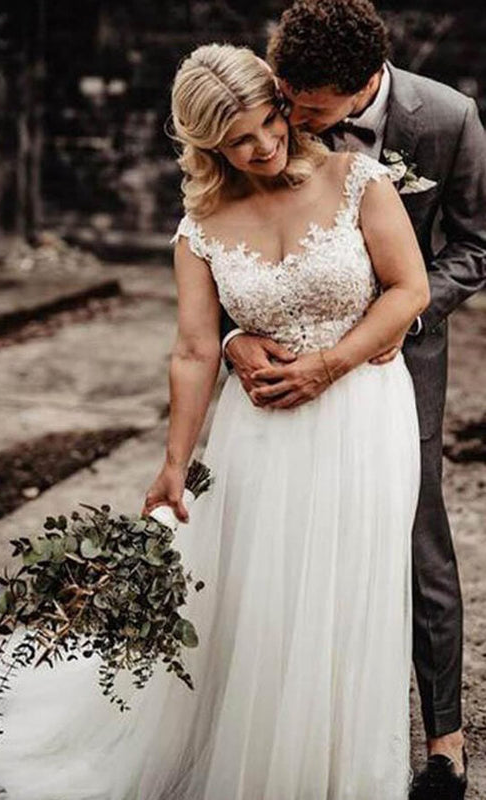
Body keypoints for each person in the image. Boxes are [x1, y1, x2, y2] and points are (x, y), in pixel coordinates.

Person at [0, 42, 428, 800]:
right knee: (259, 598)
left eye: (270, 122)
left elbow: (408, 292)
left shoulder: (357, 180)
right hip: (259, 433)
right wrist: (173, 463)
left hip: (363, 416)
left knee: (349, 591)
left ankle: (340, 773)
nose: (265, 145)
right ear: (208, 145)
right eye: (240, 139)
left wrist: (326, 366)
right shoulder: (200, 225)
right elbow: (192, 348)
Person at [221, 2, 486, 797]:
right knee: (278, 539)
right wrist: (237, 339)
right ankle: (297, 723)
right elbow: (220, 230)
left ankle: (444, 742)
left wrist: (393, 319)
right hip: (280, 358)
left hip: (399, 361)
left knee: (414, 536)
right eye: (284, 96)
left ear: (366, 85)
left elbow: (475, 245)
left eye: (309, 110)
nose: (288, 121)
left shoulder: (444, 118)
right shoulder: (264, 104)